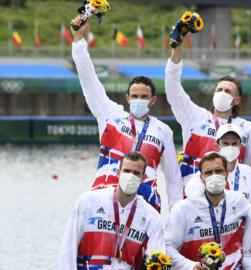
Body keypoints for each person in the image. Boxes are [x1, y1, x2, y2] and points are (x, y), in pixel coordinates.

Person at [71, 18, 182, 211]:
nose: (139, 99)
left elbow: (173, 179)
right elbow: (88, 79)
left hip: (145, 207)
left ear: (153, 100)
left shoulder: (163, 131)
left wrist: (177, 216)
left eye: (144, 96)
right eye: (135, 96)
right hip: (104, 201)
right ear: (128, 98)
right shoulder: (109, 115)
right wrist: (79, 38)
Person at [166, 40, 251, 184]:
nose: (222, 93)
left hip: (229, 195)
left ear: (237, 100)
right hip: (194, 193)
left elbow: (249, 167)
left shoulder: (247, 128)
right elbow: (173, 89)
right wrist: (177, 50)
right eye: (219, 90)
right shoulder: (195, 116)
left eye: (227, 91)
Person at [60, 152, 163, 269]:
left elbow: (156, 257)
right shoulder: (89, 201)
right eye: (127, 171)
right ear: (118, 173)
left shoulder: (151, 216)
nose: (130, 176)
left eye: (136, 173)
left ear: (143, 178)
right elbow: (69, 247)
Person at [164, 152, 250, 270]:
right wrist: (190, 266)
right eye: (208, 173)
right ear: (201, 177)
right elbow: (167, 246)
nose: (214, 176)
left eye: (218, 171)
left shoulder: (238, 200)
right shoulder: (182, 209)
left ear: (226, 173)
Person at [185, 124, 251, 204]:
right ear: (217, 146)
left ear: (240, 146)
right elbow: (193, 203)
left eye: (234, 143)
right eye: (226, 143)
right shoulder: (204, 174)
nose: (230, 147)